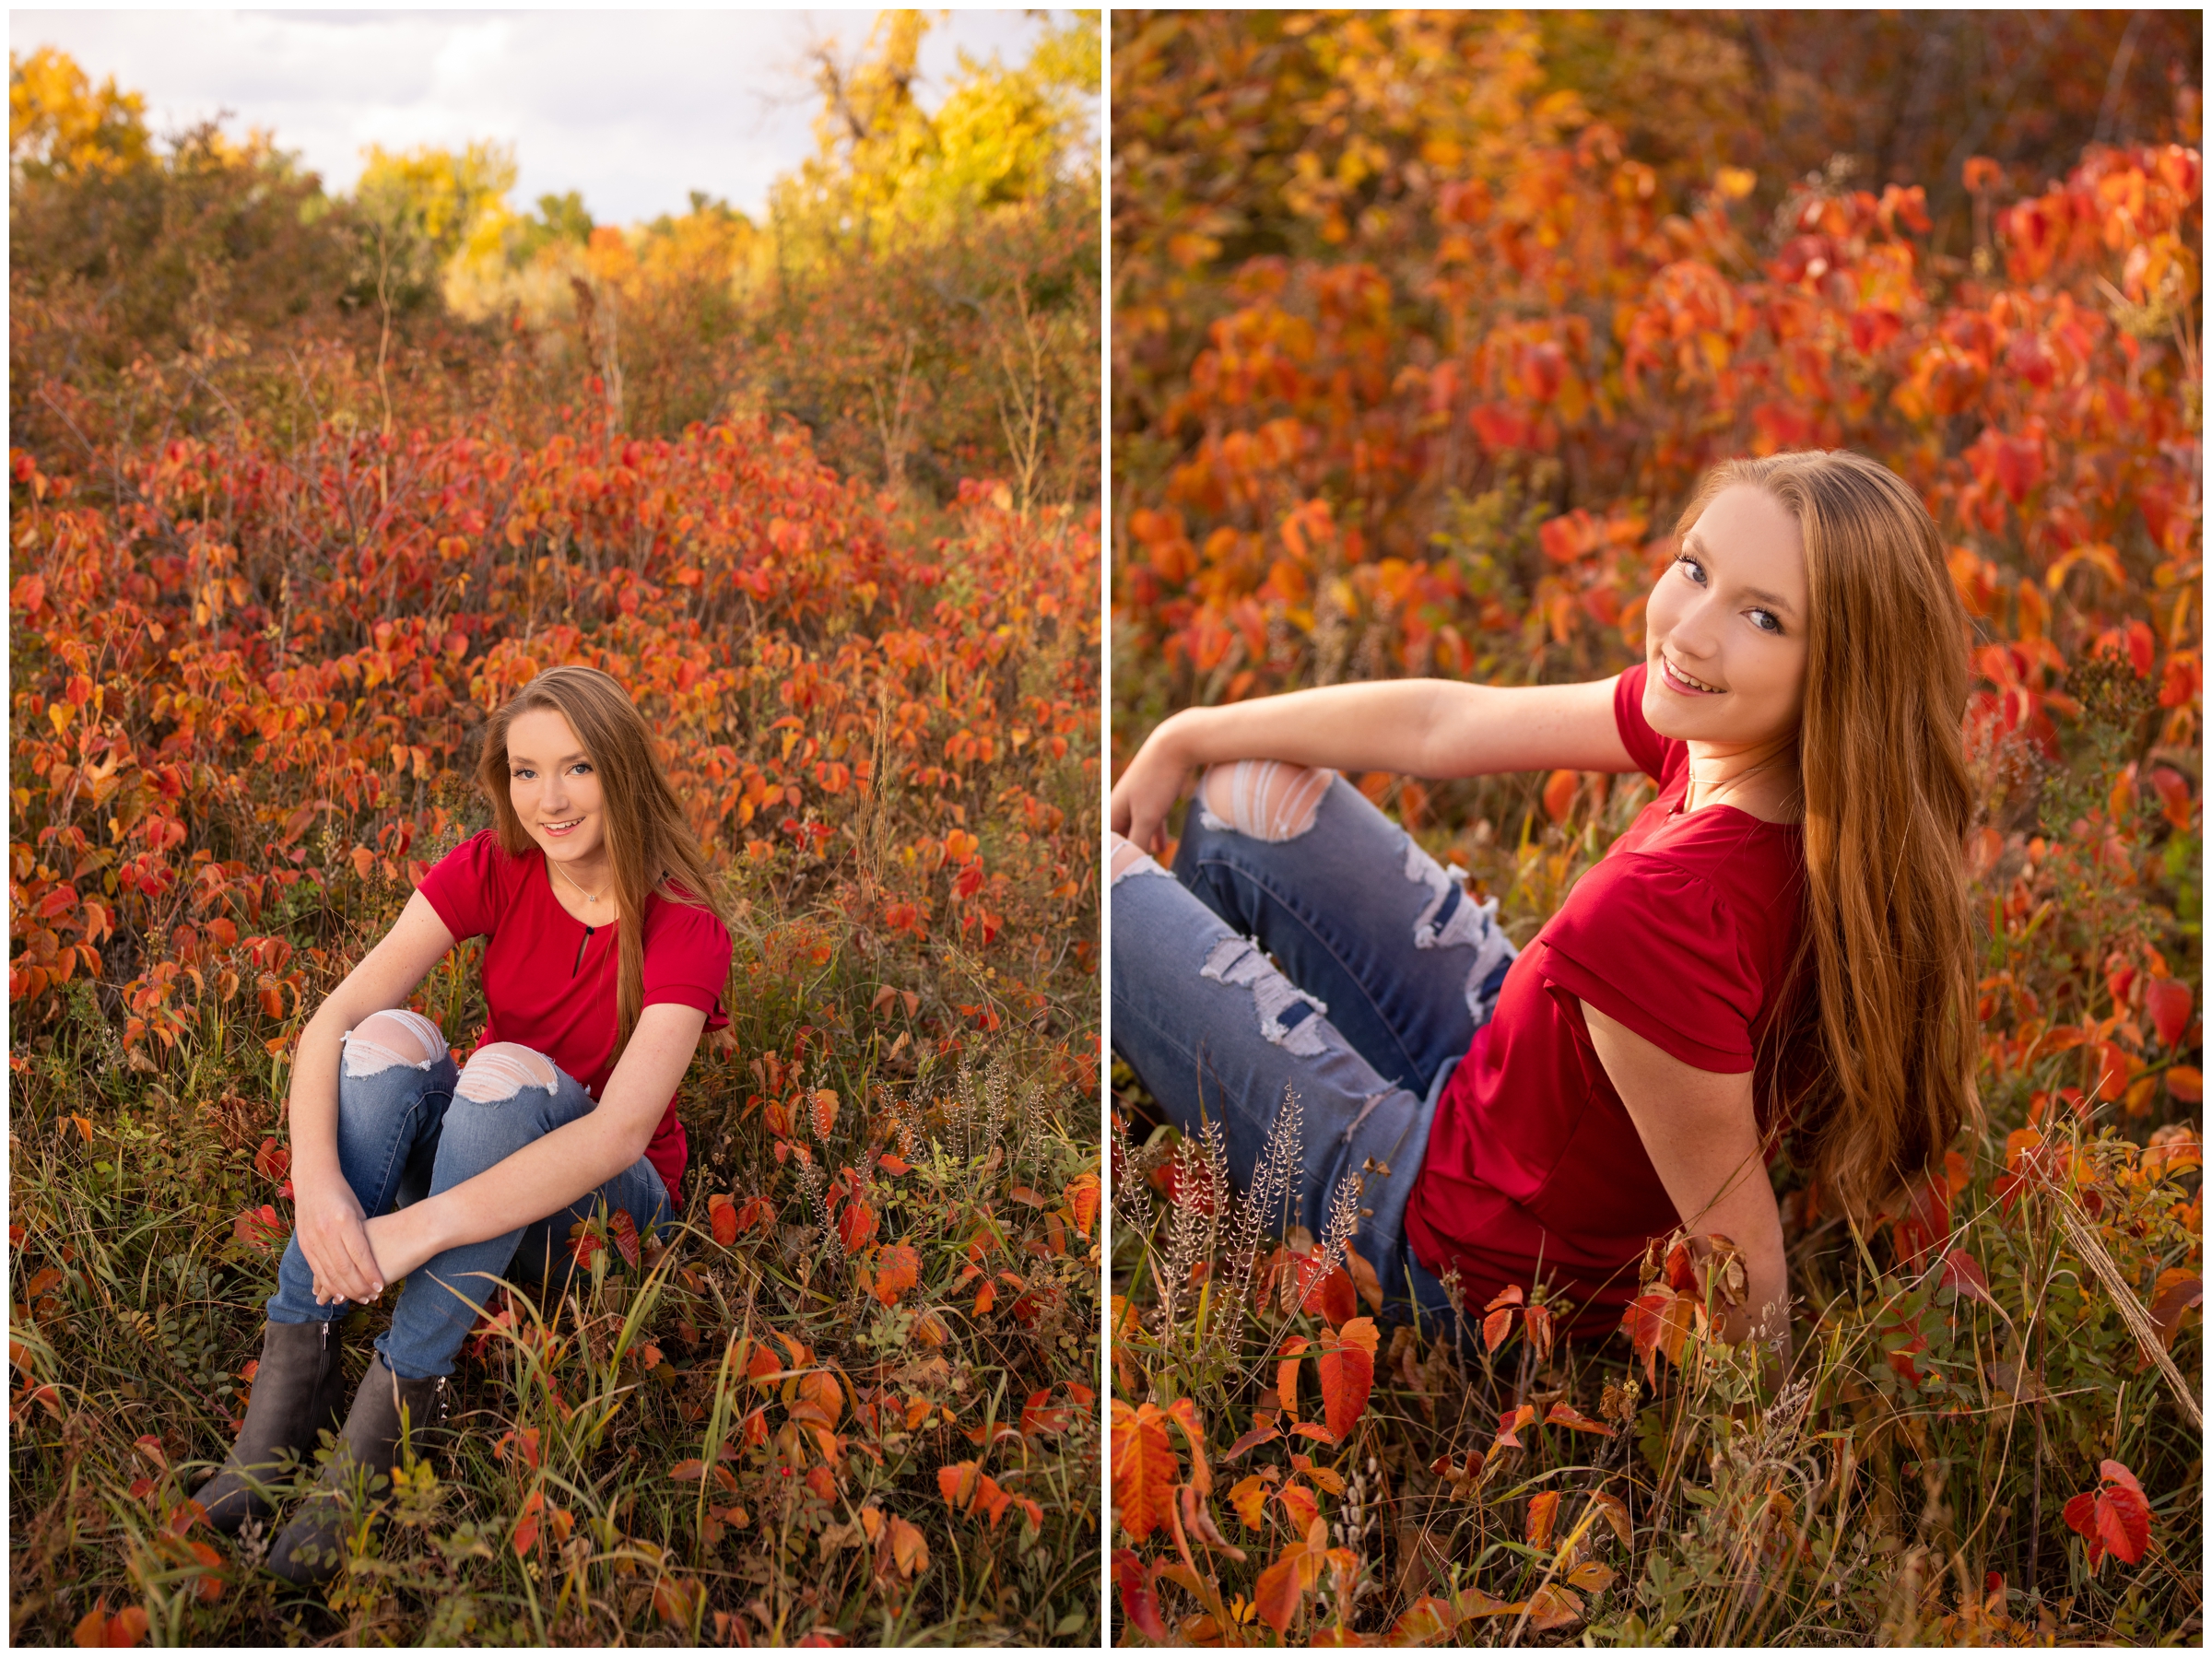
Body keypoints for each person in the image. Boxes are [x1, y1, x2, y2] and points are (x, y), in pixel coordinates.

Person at [1110, 451, 1977, 1359]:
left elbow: (1742, 1250)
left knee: (1108, 882)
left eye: (1764, 616)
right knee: (1244, 794)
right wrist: (1184, 733)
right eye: (1695, 568)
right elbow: (1441, 726)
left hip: (1455, 1255)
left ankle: (1199, 1140)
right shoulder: (1766, 754)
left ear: (1840, 668)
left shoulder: (1664, 910)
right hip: (1510, 1088)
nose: (1692, 632)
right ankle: (1185, 1079)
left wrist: (1743, 1474)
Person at [197, 664, 733, 1584]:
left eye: (577, 769)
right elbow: (329, 1021)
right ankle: (290, 1397)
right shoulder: (496, 863)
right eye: (526, 772)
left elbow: (614, 1137)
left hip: (601, 1218)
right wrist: (319, 1187)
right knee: (387, 1037)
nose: (549, 800)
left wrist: (417, 1228)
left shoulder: (685, 922)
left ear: (624, 770)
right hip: (483, 1153)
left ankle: (403, 1401)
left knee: (498, 1069)